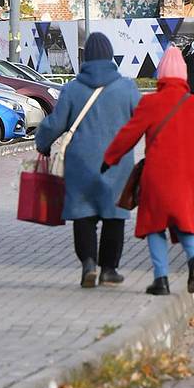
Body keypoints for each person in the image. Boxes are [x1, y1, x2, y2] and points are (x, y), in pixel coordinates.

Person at [102, 45, 194, 297]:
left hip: (157, 175)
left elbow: (128, 135)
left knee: (155, 224)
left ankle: (161, 280)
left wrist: (109, 159)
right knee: (184, 219)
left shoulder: (150, 103)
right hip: (192, 177)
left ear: (161, 75)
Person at [35, 32, 139, 288]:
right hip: (118, 162)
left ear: (87, 57)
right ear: (110, 56)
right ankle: (109, 270)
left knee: (84, 215)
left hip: (80, 163)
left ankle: (88, 264)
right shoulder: (127, 87)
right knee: (114, 216)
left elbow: (55, 123)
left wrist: (43, 143)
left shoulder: (71, 88)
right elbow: (140, 122)